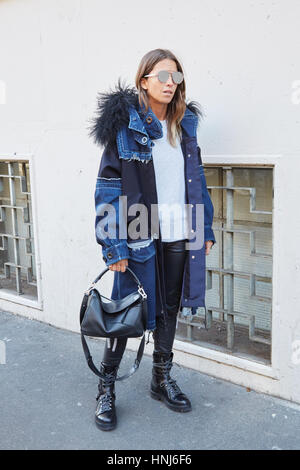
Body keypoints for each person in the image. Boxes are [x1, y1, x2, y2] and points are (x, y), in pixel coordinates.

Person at [88, 48, 216, 431]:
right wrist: (114, 246)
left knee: (170, 307)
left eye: (176, 77)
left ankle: (161, 378)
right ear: (144, 80)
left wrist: (204, 228)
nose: (170, 84)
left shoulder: (185, 126)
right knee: (128, 310)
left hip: (180, 228)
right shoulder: (126, 127)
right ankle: (106, 387)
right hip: (141, 228)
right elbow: (108, 188)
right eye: (162, 76)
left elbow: (198, 181)